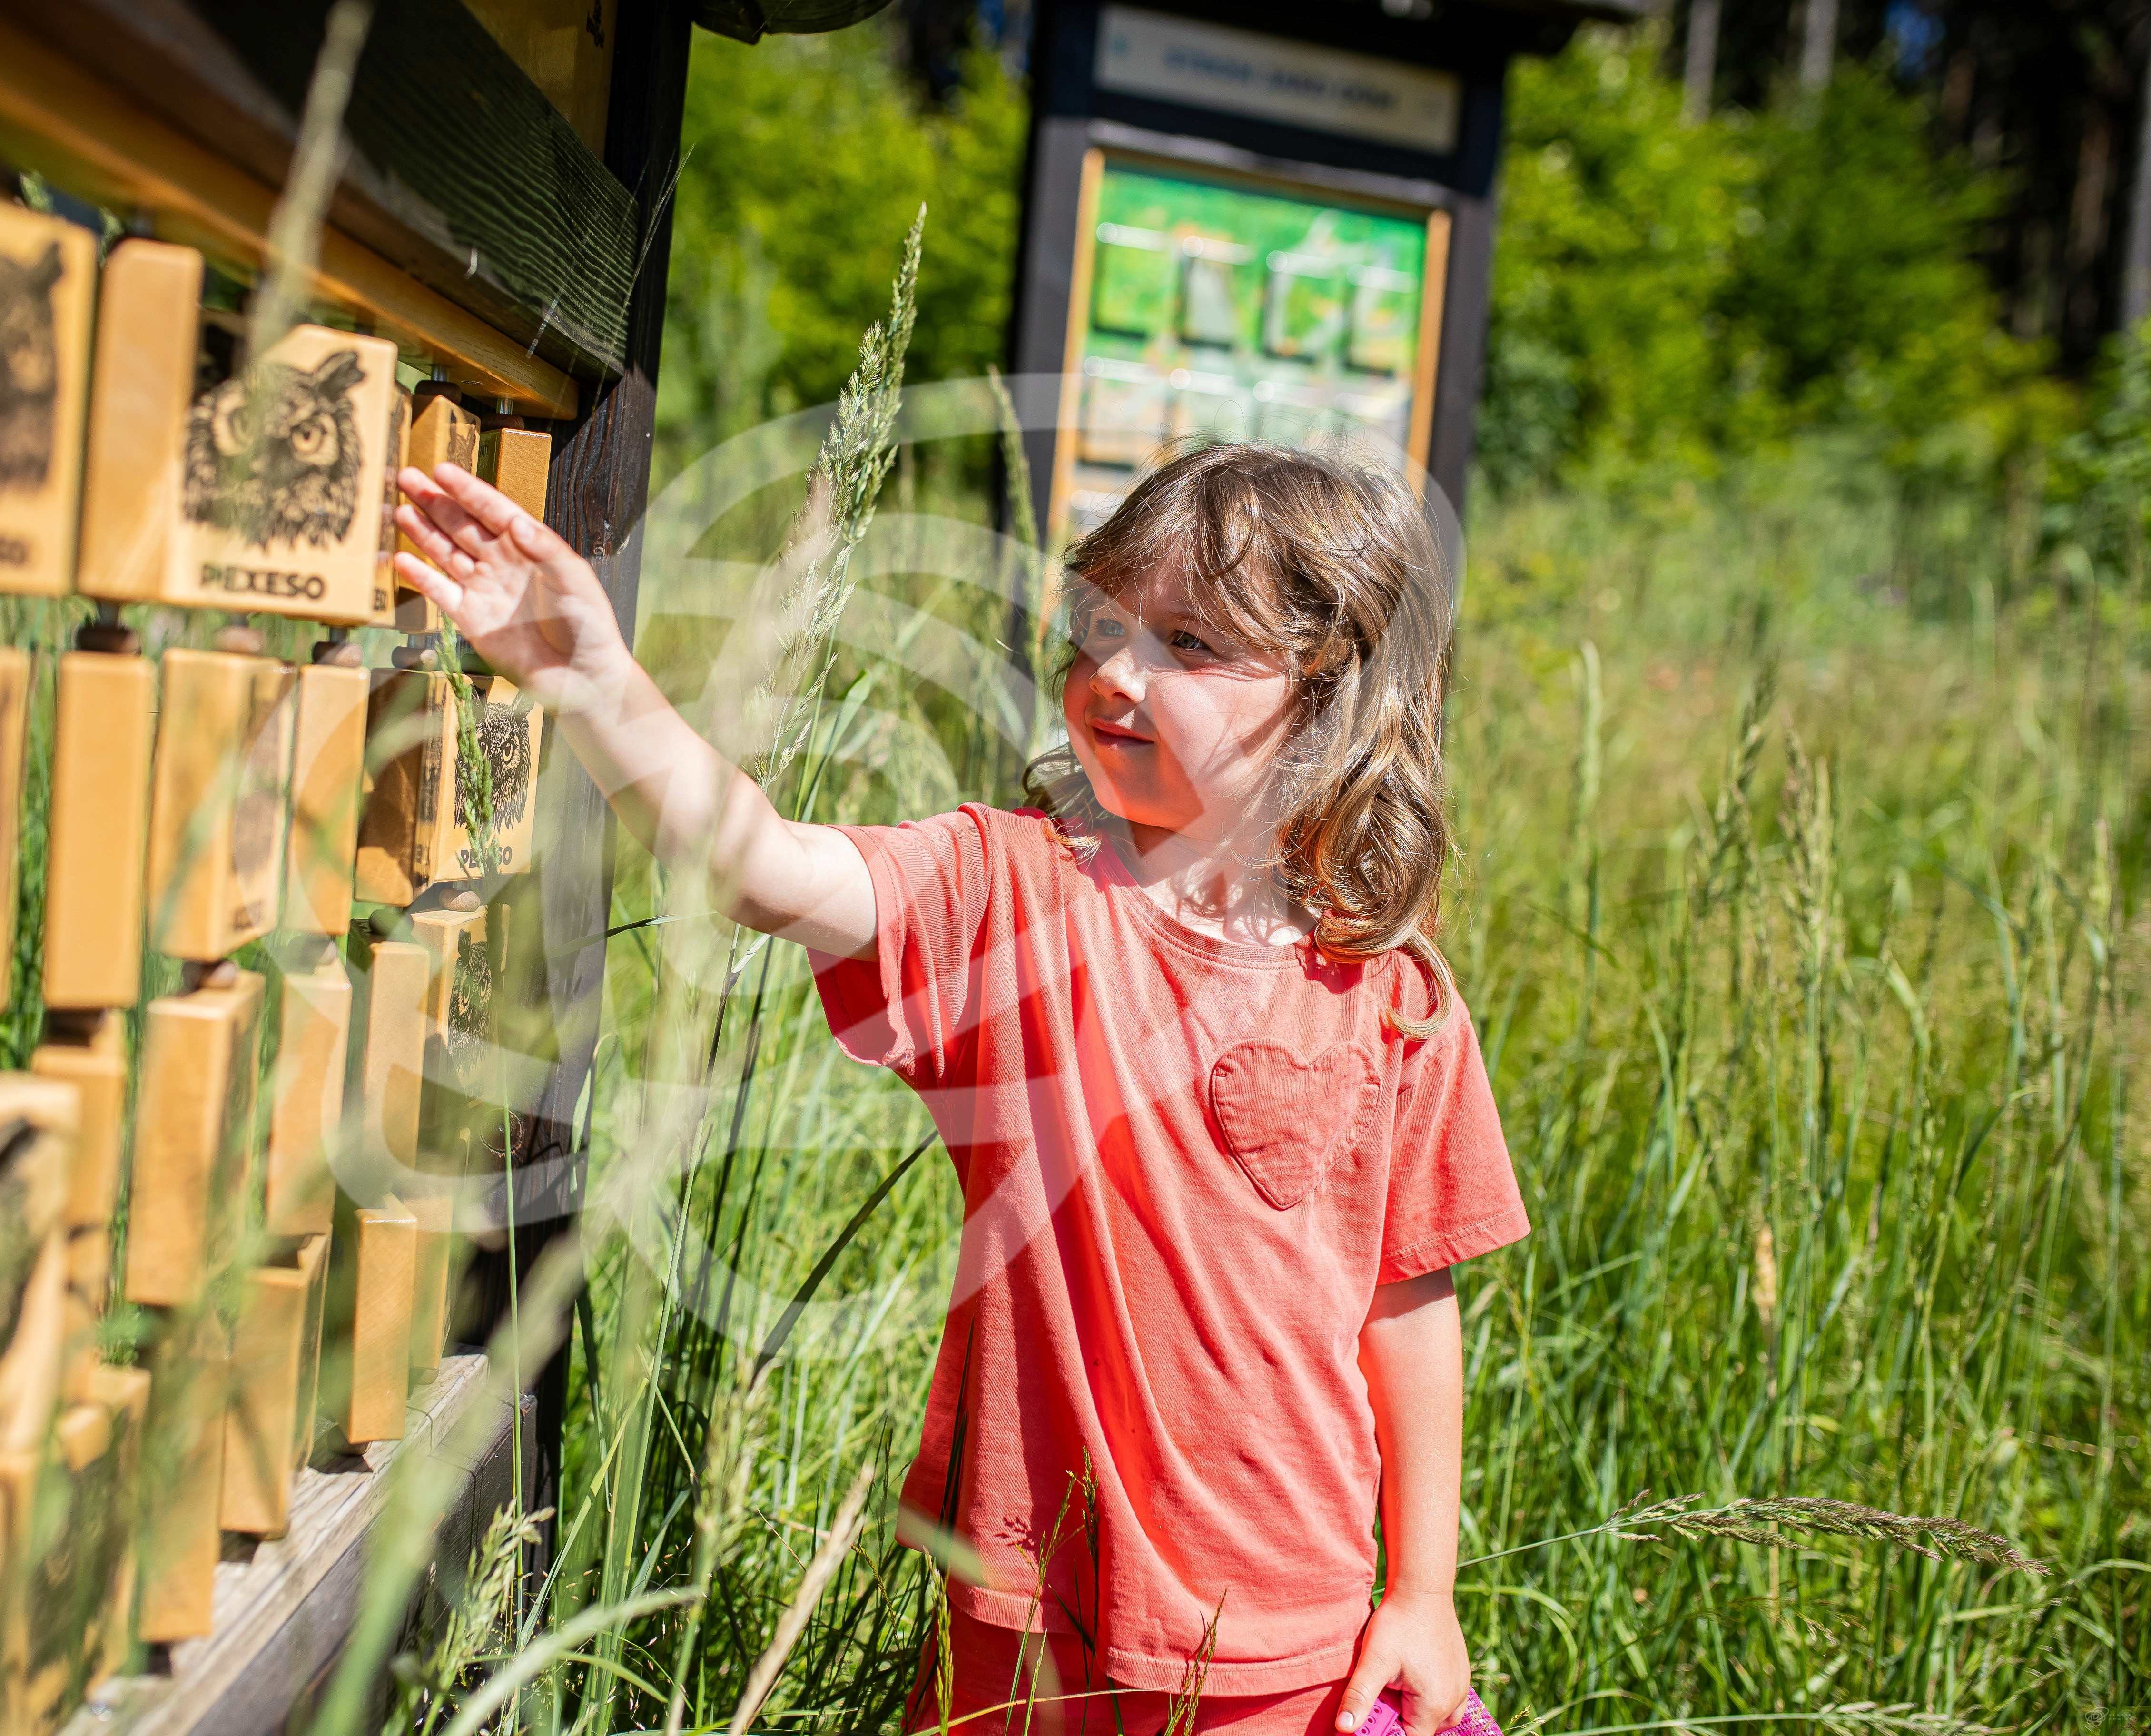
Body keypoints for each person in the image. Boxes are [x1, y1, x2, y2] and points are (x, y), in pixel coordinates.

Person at [392, 440, 1527, 1736]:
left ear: (1333, 687)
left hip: (1285, 1637)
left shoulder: (1396, 1000)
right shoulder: (1013, 894)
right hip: (1024, 1615)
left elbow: (1408, 1301)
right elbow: (762, 865)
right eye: (1100, 626)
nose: (1116, 672)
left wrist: (1423, 1589)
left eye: (1191, 643)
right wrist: (591, 678)